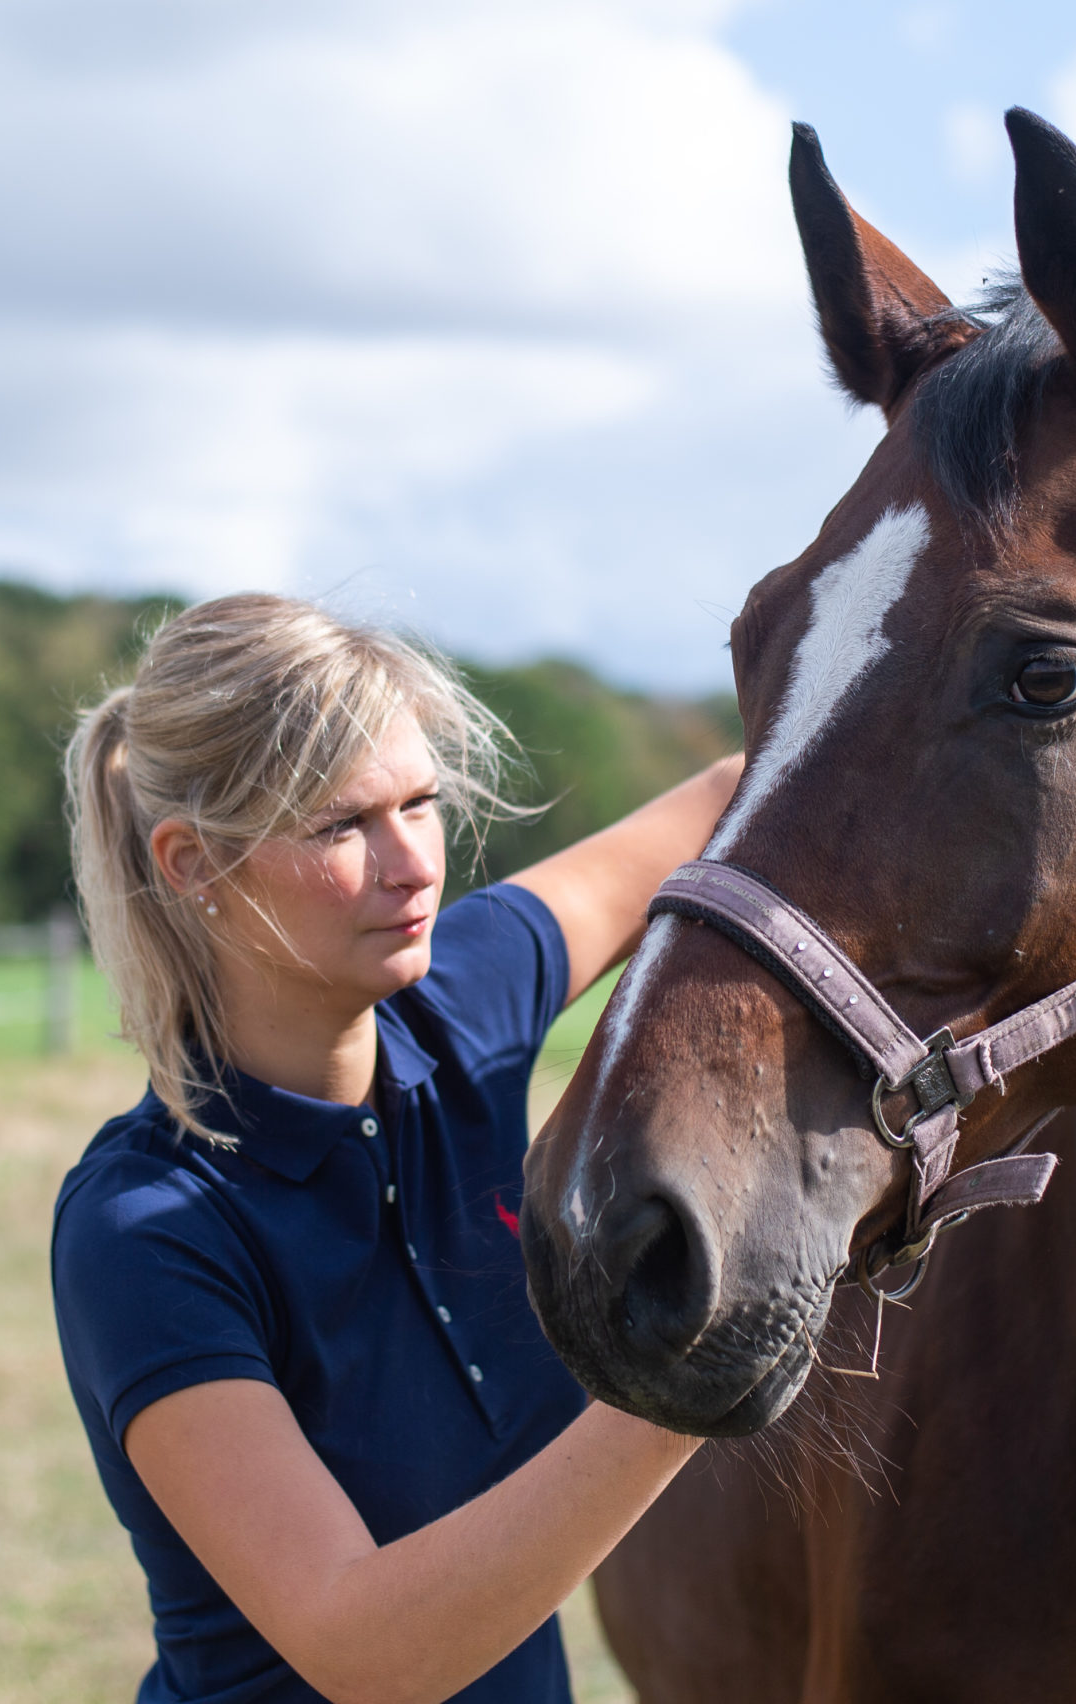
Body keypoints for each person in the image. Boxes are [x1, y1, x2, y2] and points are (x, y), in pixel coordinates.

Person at [52, 593, 738, 1704]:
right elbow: (366, 1648)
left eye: (419, 803)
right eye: (341, 825)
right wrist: (692, 1380)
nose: (414, 863)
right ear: (189, 864)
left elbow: (725, 796)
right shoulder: (147, 1231)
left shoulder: (461, 1006)